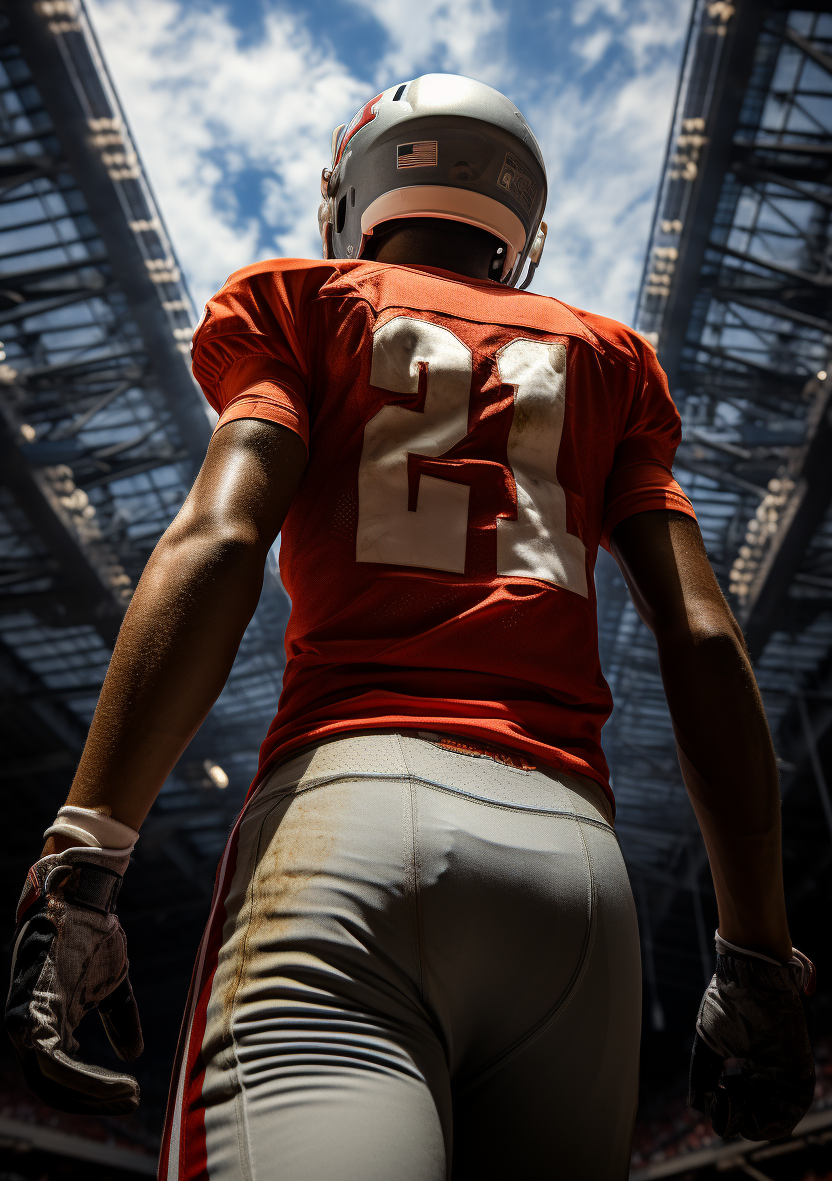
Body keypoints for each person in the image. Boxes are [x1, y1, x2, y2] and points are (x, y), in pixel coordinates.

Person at [7, 75, 815, 1180]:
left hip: (348, 825)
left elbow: (220, 541)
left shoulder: (304, 302)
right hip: (576, 869)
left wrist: (85, 850)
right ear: (522, 227)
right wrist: (757, 952)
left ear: (353, 192)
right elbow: (704, 642)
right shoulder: (610, 362)